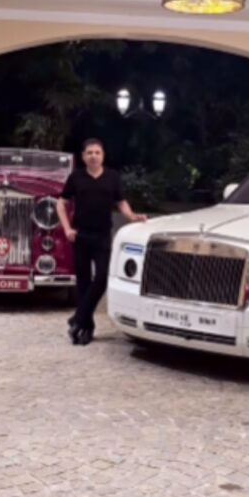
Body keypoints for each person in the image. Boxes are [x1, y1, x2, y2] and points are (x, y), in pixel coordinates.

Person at [57, 139, 147, 345]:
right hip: (81, 235)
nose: (93, 156)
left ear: (103, 155)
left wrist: (132, 216)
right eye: (89, 153)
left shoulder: (113, 177)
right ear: (83, 156)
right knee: (83, 283)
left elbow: (121, 201)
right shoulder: (76, 177)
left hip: (103, 236)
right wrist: (67, 228)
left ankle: (78, 317)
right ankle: (86, 329)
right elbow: (60, 204)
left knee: (102, 278)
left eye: (97, 152)